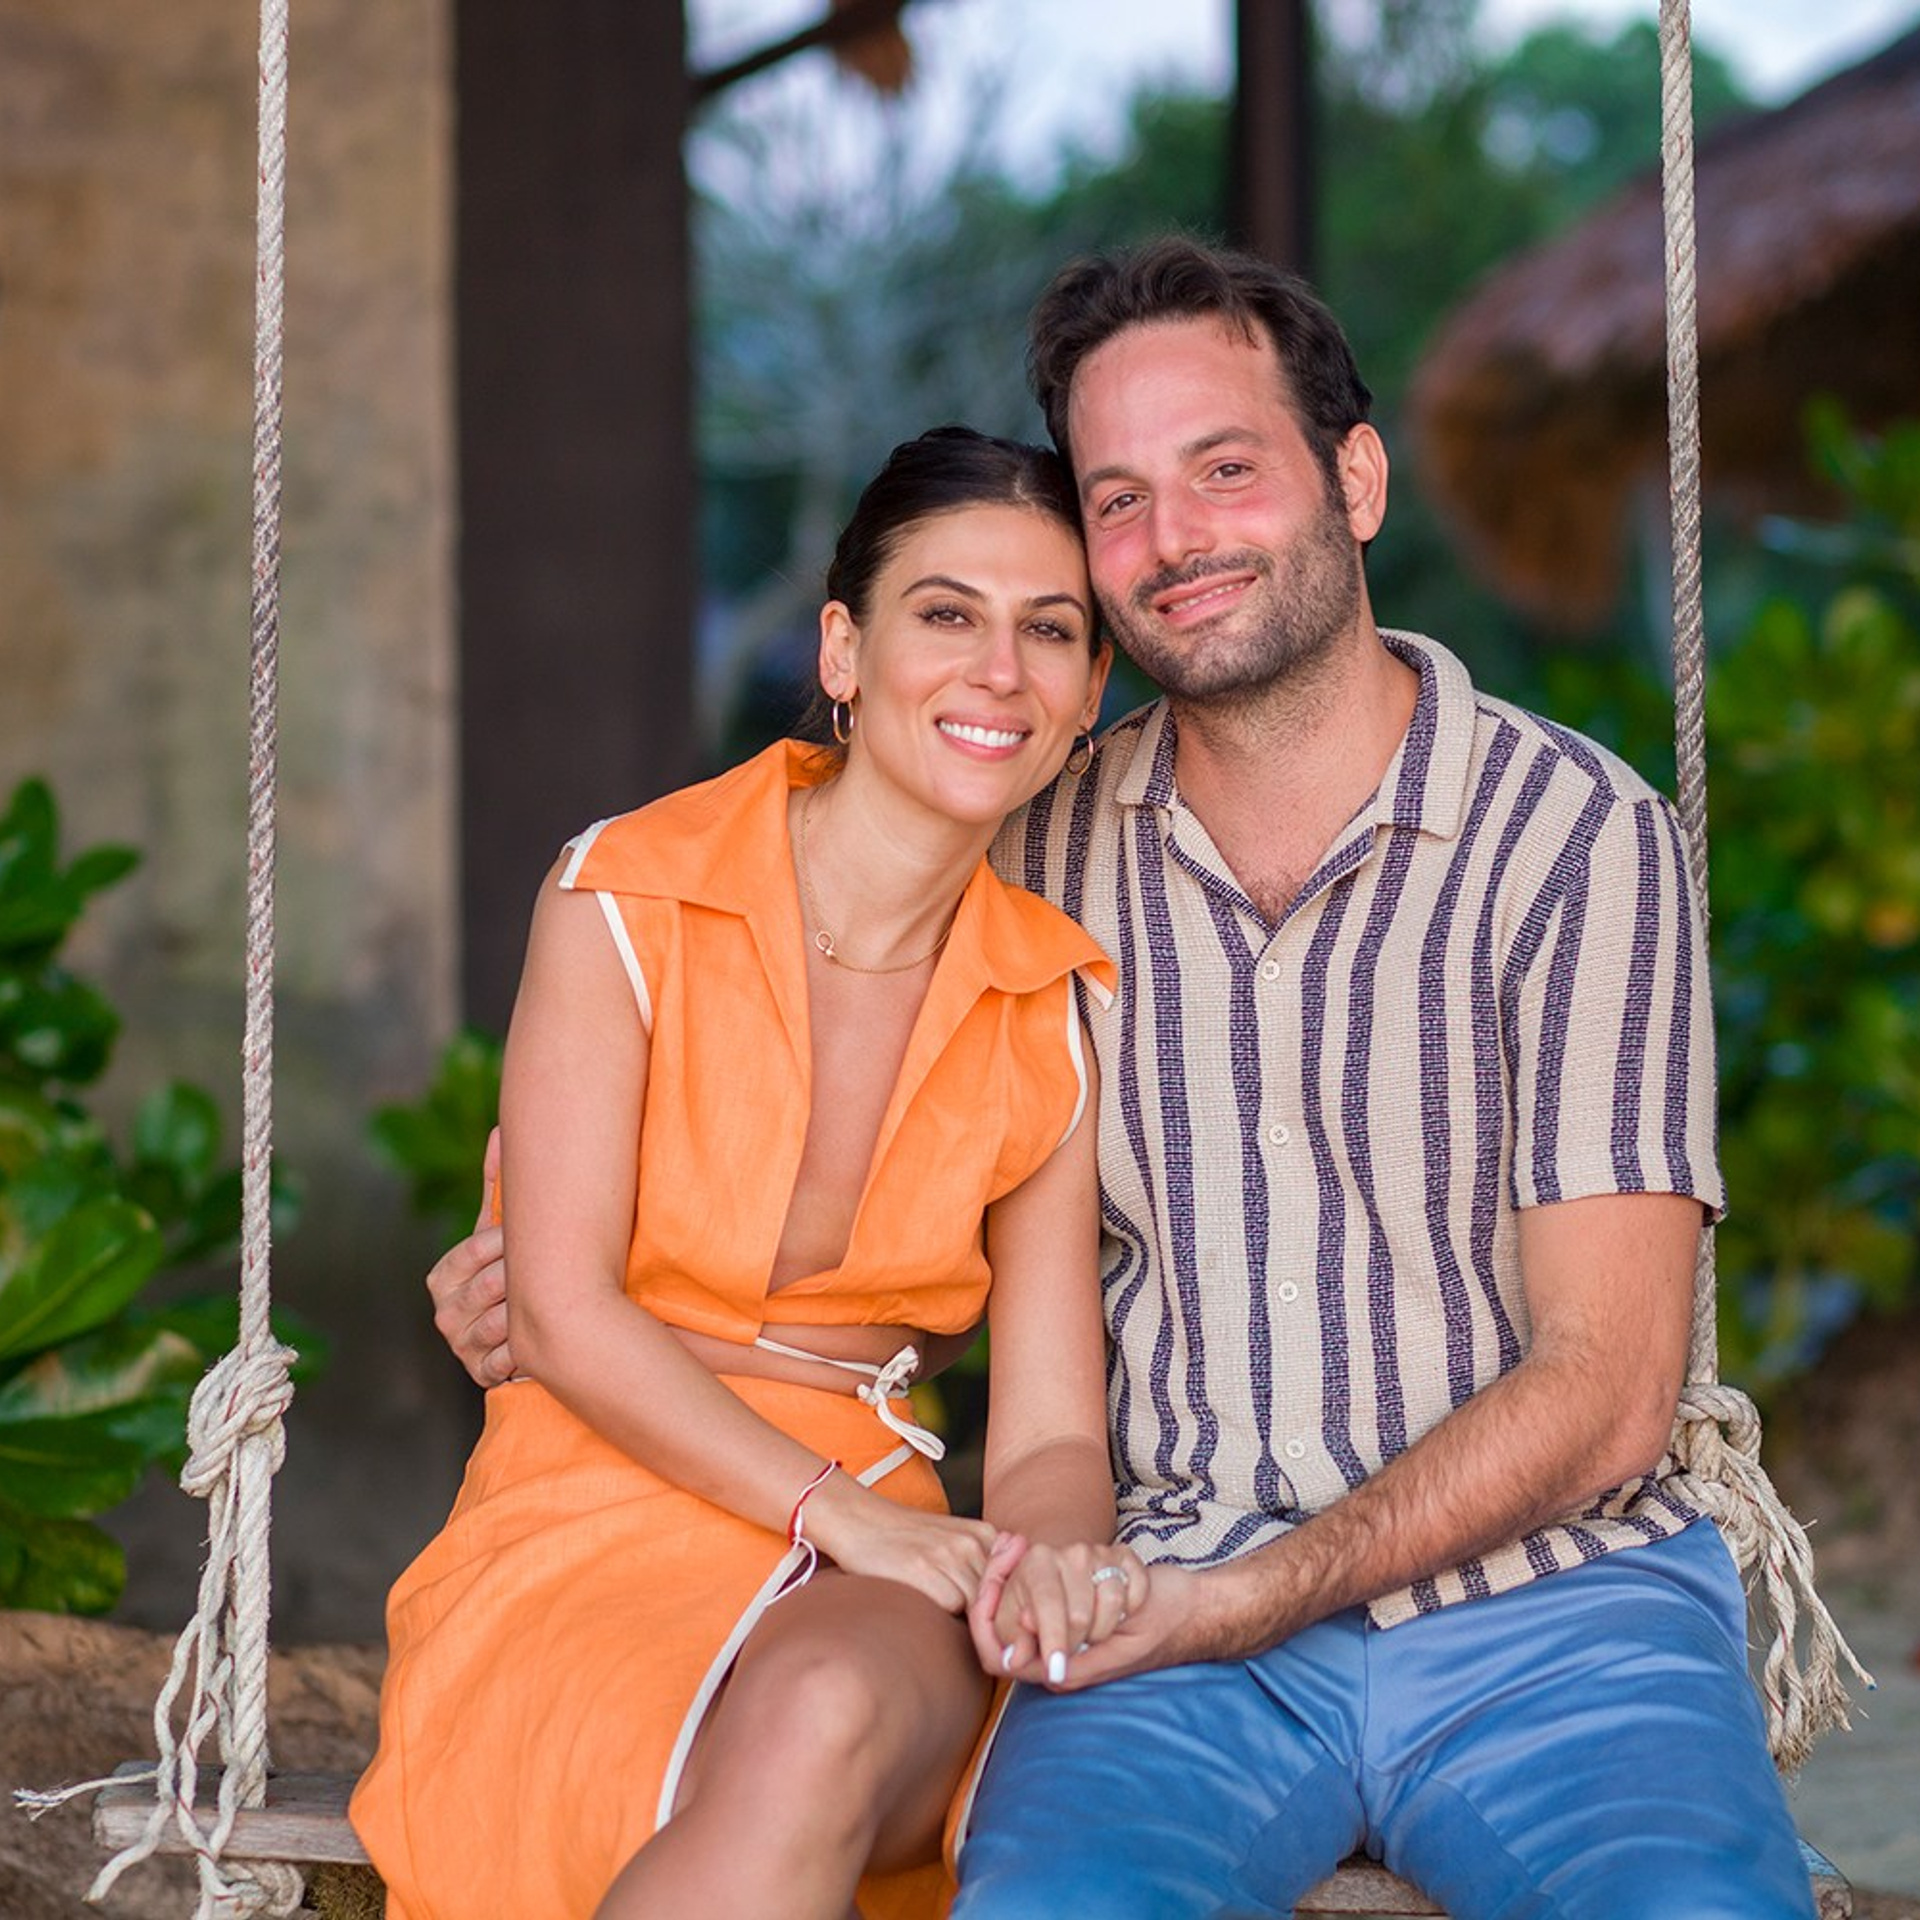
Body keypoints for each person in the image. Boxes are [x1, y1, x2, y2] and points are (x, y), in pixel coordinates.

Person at [429, 240, 1815, 1919]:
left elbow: (1611, 1383)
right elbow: (815, 1057)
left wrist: (1241, 1592)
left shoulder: (1576, 838)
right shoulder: (1032, 846)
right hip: (1155, 1613)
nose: (1175, 542)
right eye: (1121, 499)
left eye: (1225, 470)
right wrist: (558, 1285)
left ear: (1354, 479)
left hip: (1550, 1611)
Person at [351, 424, 1143, 1920]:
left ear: (1092, 692)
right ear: (843, 648)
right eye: (946, 614)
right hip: (593, 1489)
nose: (1000, 672)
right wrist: (836, 1515)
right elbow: (568, 1314)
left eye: (1052, 632)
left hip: (883, 1544)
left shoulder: (1058, 1001)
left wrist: (1052, 1563)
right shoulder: (626, 896)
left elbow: (1048, 1430)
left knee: (826, 1712)